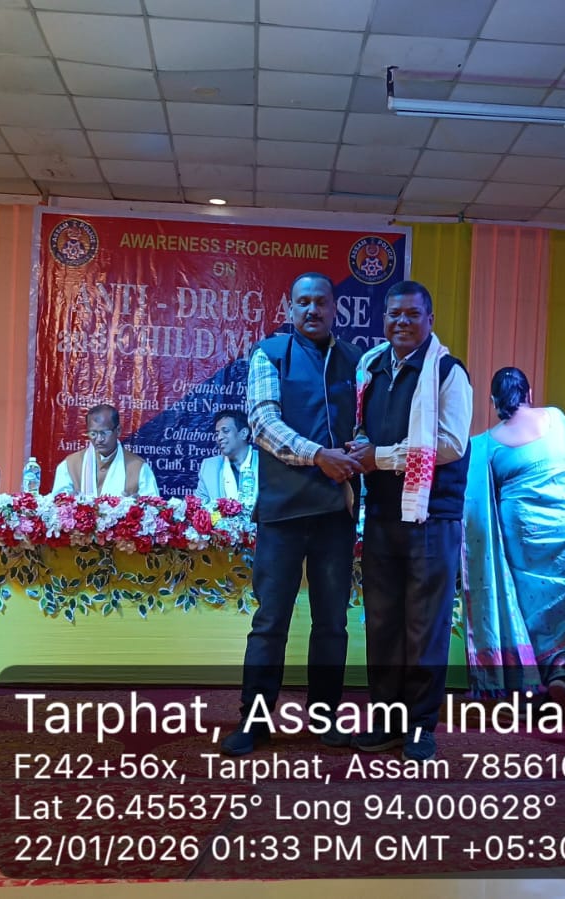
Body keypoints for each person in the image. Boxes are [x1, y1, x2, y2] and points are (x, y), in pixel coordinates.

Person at [222, 272, 362, 757]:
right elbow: (262, 423)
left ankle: (325, 718)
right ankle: (254, 721)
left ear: (334, 308)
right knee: (270, 621)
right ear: (290, 308)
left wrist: (359, 449)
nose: (312, 310)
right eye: (303, 302)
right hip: (281, 513)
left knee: (332, 623)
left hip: (335, 513)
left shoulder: (355, 361)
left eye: (321, 302)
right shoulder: (270, 354)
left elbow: (363, 426)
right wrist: (319, 455)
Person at [347, 280, 473, 762]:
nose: (401, 322)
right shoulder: (371, 365)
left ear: (430, 320)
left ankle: (420, 725)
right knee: (382, 624)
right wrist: (361, 448)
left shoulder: (447, 372)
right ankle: (385, 719)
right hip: (382, 514)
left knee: (425, 626)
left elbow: (451, 445)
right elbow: (362, 426)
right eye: (394, 314)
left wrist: (380, 457)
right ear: (384, 319)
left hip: (431, 517)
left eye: (412, 314)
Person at [462, 367, 565, 710]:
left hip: (522, 531)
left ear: (493, 401)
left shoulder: (487, 445)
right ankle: (561, 670)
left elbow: (480, 500)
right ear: (529, 393)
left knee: (528, 604)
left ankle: (532, 677)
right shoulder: (557, 419)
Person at [51, 404, 160, 499]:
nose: (99, 439)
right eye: (93, 434)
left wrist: (136, 506)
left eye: (104, 433)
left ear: (118, 431)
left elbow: (153, 509)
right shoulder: (70, 465)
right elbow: (57, 506)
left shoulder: (138, 467)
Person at [194, 408, 258, 507]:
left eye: (226, 431)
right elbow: (198, 507)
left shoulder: (266, 464)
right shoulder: (209, 467)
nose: (219, 437)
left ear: (244, 433)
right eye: (217, 433)